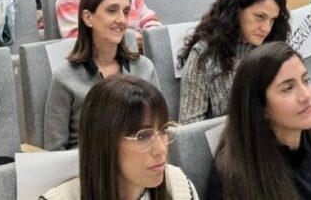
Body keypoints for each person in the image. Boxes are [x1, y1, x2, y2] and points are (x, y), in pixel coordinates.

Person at [207, 42, 311, 200]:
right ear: (261, 107)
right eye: (288, 88)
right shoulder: (233, 175)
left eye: (306, 80)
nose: (306, 95)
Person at [39, 75, 197, 200]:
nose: (161, 150)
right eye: (143, 136)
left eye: (163, 130)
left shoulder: (178, 186)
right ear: (105, 143)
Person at [45, 0, 160, 151]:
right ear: (87, 18)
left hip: (140, 163)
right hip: (88, 170)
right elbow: (54, 151)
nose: (121, 20)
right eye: (112, 10)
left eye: (126, 11)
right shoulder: (64, 78)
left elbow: (159, 128)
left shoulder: (144, 67)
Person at [177, 0, 291, 124]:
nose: (266, 28)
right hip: (225, 144)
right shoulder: (203, 55)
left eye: (272, 20)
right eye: (259, 17)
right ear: (236, 10)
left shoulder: (273, 49)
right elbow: (189, 128)